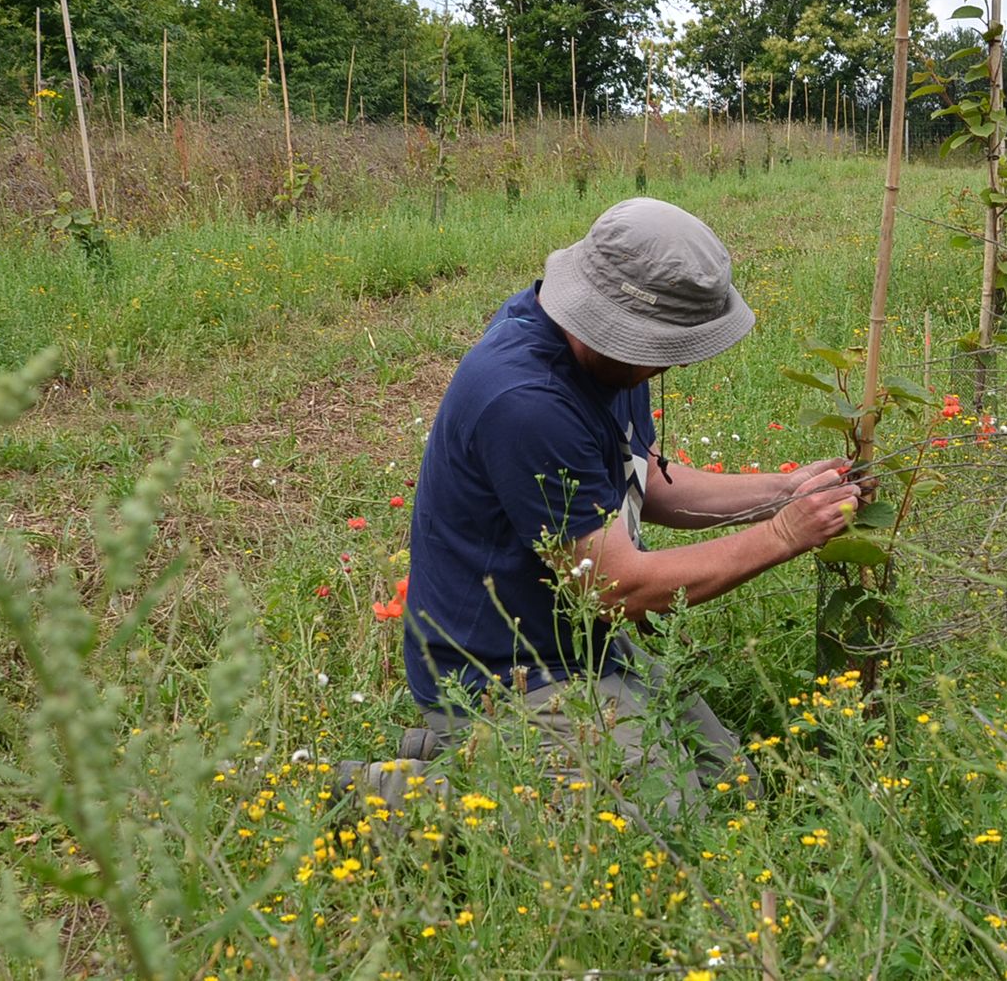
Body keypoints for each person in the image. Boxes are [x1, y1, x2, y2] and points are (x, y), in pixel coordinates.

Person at [349, 197, 862, 815]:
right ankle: (405, 787)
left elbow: (644, 482)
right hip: (500, 670)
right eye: (662, 343)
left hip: (584, 650)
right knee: (656, 822)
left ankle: (489, 760)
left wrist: (785, 492)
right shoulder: (527, 399)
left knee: (730, 787)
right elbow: (616, 589)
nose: (671, 360)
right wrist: (782, 535)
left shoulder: (607, 367)